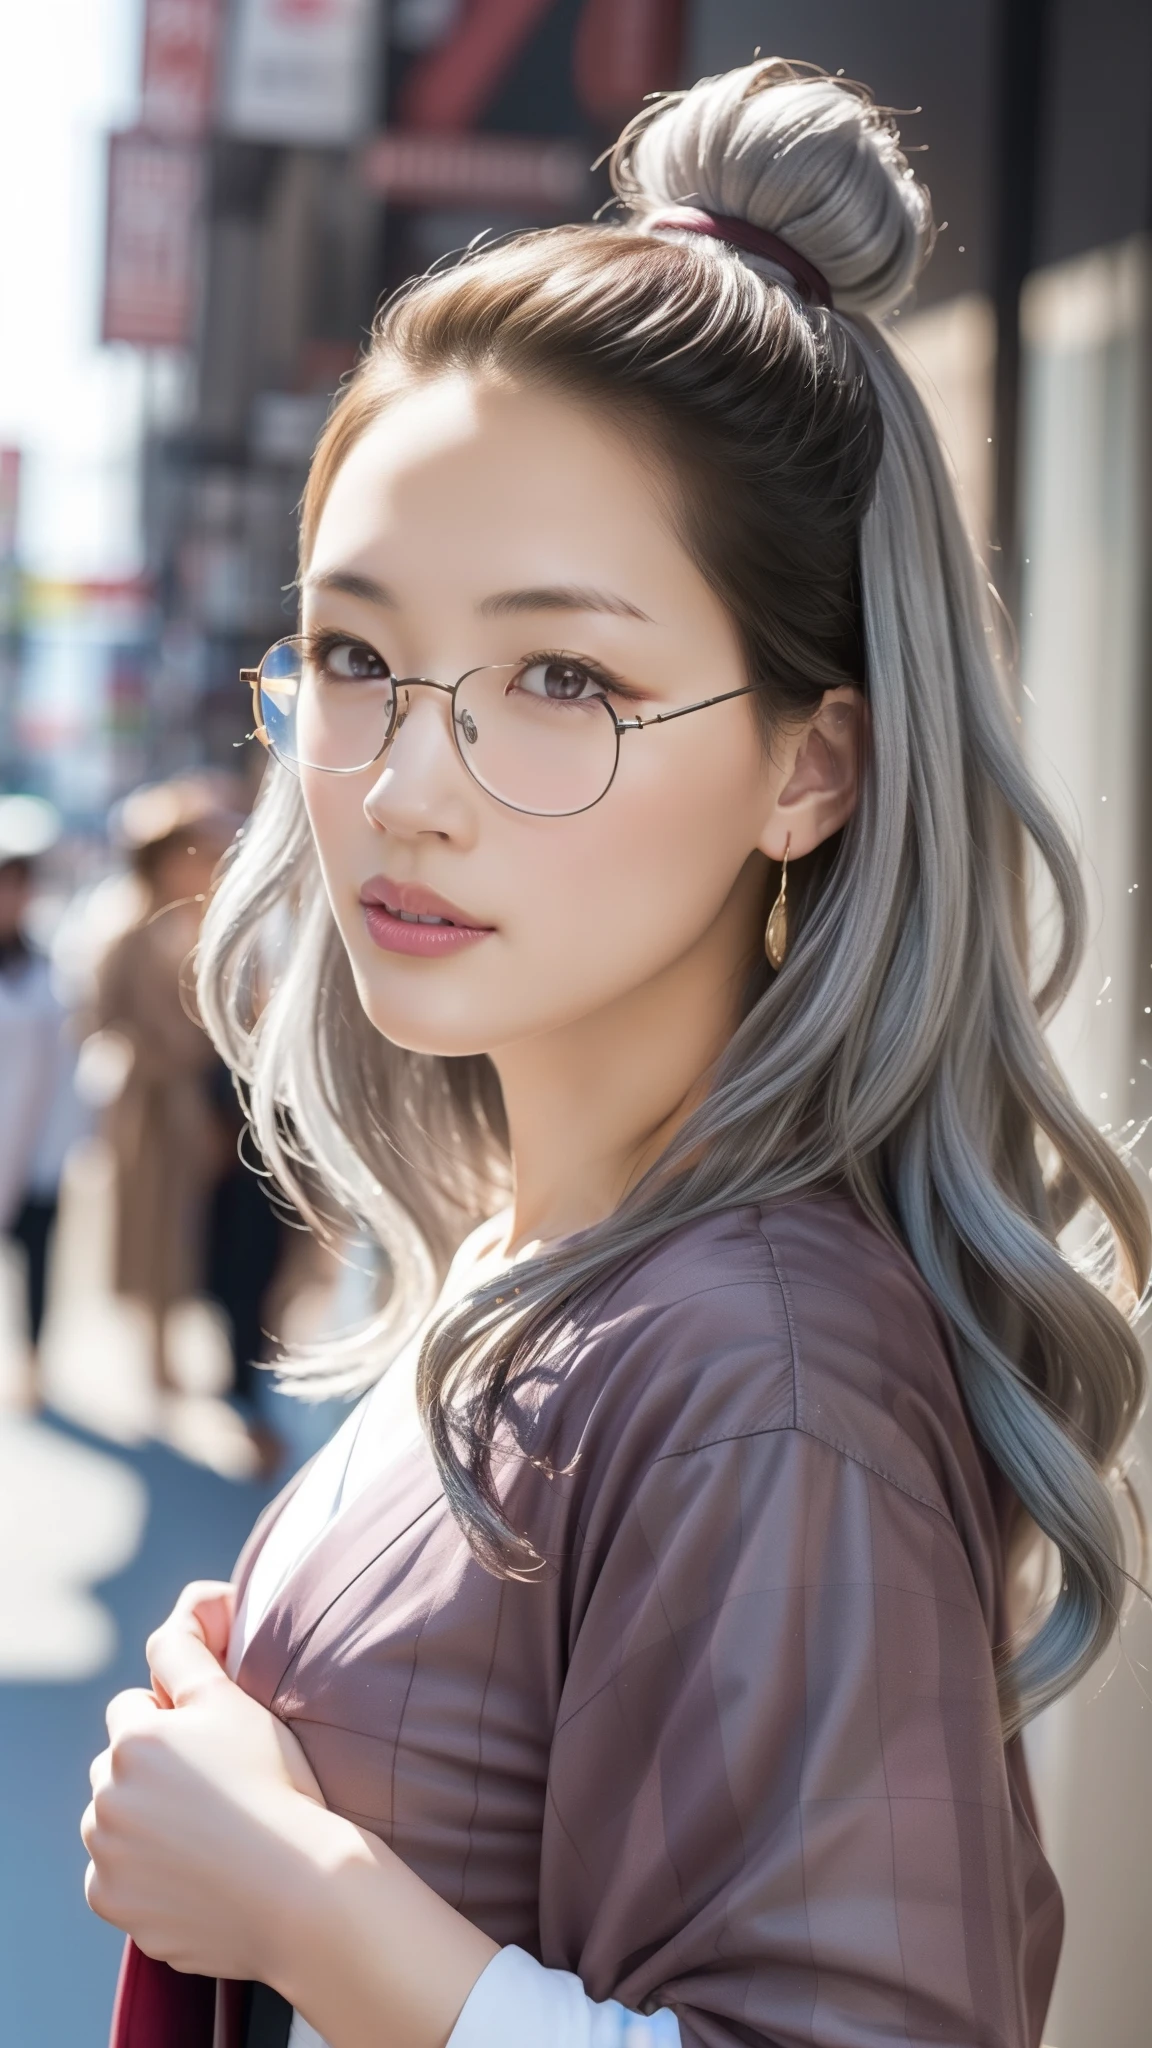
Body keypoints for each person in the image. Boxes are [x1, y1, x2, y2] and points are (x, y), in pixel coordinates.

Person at [83, 61, 1148, 2048]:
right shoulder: (551, 1246)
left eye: (562, 675)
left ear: (811, 765)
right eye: (352, 654)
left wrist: (302, 1901)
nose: (404, 783)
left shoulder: (762, 1358)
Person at [89, 776, 241, 1398]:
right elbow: (103, 1017)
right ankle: (154, 1349)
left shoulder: (211, 925)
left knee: (195, 1226)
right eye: (186, 852)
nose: (197, 866)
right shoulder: (125, 929)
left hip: (204, 1101)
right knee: (149, 1224)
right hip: (150, 1106)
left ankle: (189, 1343)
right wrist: (165, 1057)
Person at [0, 802, 87, 1399]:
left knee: (37, 1257)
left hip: (37, 1146)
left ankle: (31, 1360)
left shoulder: (46, 963)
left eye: (20, 885)